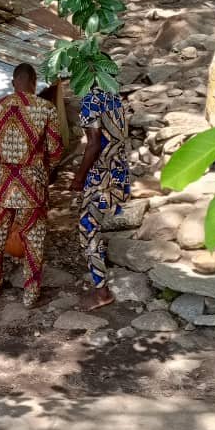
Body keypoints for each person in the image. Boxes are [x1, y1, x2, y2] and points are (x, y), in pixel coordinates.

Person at [0, 63, 64, 308]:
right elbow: (56, 150)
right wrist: (42, 169)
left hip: (3, 186)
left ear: (13, 82)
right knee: (34, 240)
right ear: (35, 83)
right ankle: (30, 296)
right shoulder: (46, 109)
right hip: (32, 187)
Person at [69, 86, 131, 310]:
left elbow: (94, 143)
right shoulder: (114, 99)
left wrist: (79, 177)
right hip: (118, 172)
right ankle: (101, 270)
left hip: (101, 176)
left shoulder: (90, 101)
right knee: (96, 224)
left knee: (87, 228)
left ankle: (102, 290)